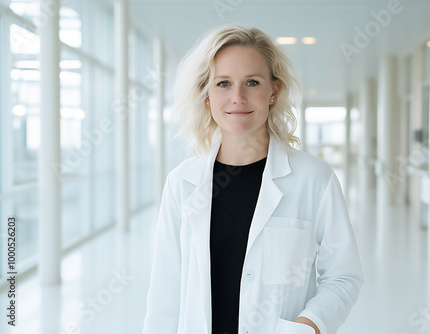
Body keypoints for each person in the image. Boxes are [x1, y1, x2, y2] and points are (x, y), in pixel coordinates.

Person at [142, 24, 363, 334]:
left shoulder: (313, 179)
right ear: (206, 94)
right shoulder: (182, 184)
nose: (237, 97)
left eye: (252, 82)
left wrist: (308, 326)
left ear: (273, 92)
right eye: (223, 84)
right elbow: (165, 293)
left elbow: (343, 275)